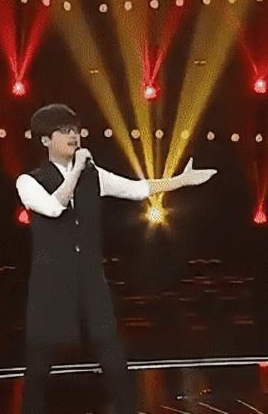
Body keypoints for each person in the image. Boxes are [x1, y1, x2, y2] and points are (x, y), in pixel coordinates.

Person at [15, 103, 216, 414]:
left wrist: (181, 180)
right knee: (39, 363)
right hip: (51, 282)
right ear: (45, 140)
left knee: (113, 354)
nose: (73, 135)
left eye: (75, 129)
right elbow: (54, 208)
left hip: (91, 278)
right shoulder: (29, 181)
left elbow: (138, 190)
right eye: (64, 131)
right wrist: (77, 170)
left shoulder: (94, 176)